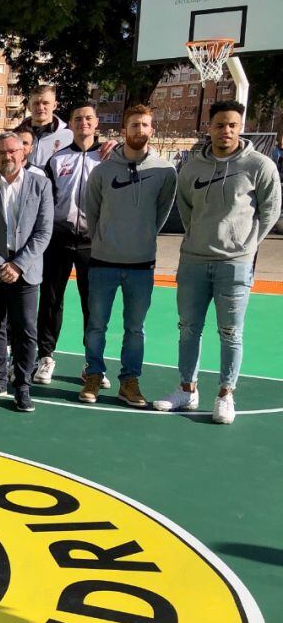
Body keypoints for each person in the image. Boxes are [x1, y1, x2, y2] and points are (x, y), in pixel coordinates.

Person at [154, 100, 281, 423]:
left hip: (235, 264)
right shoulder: (193, 167)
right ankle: (187, 389)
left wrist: (246, 244)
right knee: (188, 329)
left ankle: (225, 394)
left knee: (230, 332)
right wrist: (199, 236)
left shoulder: (259, 165)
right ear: (209, 128)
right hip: (194, 260)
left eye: (232, 125)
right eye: (220, 125)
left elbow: (270, 211)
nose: (226, 131)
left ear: (240, 128)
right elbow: (185, 209)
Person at [81, 104, 177, 406]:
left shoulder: (165, 171)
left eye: (145, 125)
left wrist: (142, 236)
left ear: (152, 129)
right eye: (134, 125)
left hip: (141, 264)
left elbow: (161, 213)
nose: (139, 130)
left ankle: (129, 381)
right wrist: (105, 239)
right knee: (96, 325)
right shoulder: (103, 170)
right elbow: (92, 212)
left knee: (135, 328)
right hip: (103, 262)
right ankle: (94, 375)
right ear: (125, 130)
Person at [0, 132, 54, 412]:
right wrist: (0, 264)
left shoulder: (41, 185)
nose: (7, 156)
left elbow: (43, 232)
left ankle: (23, 387)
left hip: (25, 270)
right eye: (0, 153)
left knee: (25, 331)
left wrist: (17, 265)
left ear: (23, 153)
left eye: (12, 151)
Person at [35, 101, 105, 388]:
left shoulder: (108, 157)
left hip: (94, 243)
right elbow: (46, 202)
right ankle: (46, 358)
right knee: (51, 302)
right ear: (71, 124)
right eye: (78, 118)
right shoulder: (57, 160)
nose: (83, 123)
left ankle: (93, 364)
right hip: (59, 240)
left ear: (96, 122)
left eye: (88, 118)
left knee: (93, 305)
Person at [15, 84, 74, 168]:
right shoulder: (15, 135)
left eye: (45, 103)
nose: (40, 107)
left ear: (54, 105)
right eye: (36, 103)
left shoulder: (69, 135)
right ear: (29, 107)